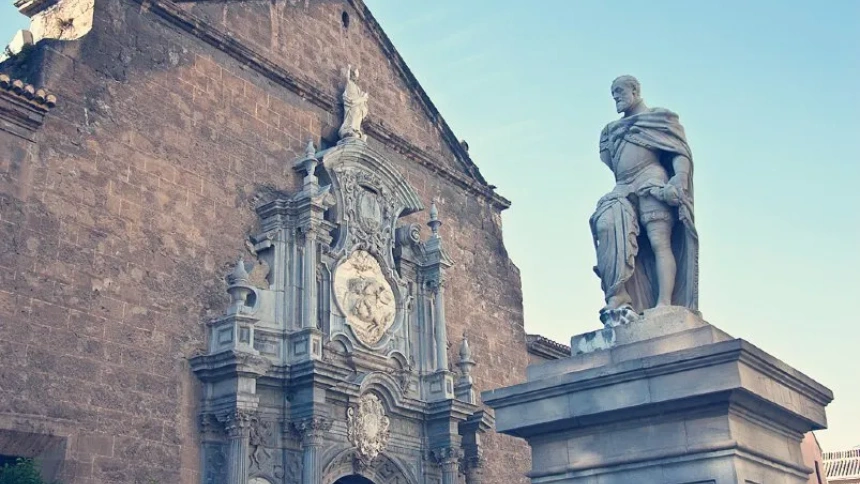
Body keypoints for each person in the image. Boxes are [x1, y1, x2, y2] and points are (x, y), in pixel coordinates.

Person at [590, 75, 699, 324]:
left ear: (635, 90)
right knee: (607, 227)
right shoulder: (610, 130)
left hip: (652, 179)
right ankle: (618, 296)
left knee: (659, 242)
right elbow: (610, 161)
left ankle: (664, 303)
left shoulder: (659, 118)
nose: (616, 97)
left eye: (619, 91)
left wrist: (679, 178)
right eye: (612, 93)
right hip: (621, 187)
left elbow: (678, 152)